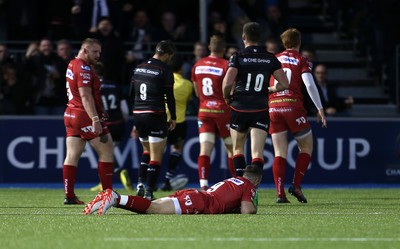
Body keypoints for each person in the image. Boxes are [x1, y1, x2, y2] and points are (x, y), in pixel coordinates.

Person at [222, 22, 289, 176]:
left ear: (243, 36)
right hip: (260, 108)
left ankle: (240, 187)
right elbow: (285, 83)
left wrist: (227, 98)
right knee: (257, 153)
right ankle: (253, 189)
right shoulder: (270, 58)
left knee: (238, 148)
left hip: (239, 107)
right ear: (260, 37)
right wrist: (270, 89)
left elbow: (227, 83)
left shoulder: (238, 56)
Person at [269, 28, 327, 204]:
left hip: (273, 107)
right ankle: (296, 185)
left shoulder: (273, 58)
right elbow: (309, 85)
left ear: (283, 42)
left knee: (279, 152)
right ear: (298, 42)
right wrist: (320, 108)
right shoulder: (302, 60)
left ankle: (280, 193)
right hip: (293, 107)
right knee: (307, 147)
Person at [83, 164, 262, 215]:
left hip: (195, 195)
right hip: (199, 202)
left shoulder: (235, 179)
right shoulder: (249, 185)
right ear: (257, 180)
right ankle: (114, 197)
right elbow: (247, 210)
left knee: (150, 206)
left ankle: (114, 199)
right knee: (154, 209)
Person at [62, 38, 114, 204]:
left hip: (70, 113)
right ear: (85, 50)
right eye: (95, 52)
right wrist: (95, 118)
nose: (98, 55)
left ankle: (69, 196)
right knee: (107, 150)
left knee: (72, 155)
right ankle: (108, 195)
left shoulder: (72, 63)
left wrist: (99, 110)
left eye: (99, 52)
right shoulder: (84, 68)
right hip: (83, 115)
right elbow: (85, 95)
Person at [130, 40, 177, 200]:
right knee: (156, 156)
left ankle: (140, 184)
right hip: (155, 114)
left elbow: (131, 93)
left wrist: (135, 117)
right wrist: (174, 117)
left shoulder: (138, 68)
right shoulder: (165, 70)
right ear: (167, 54)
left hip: (138, 114)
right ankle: (149, 191)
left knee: (146, 151)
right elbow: (170, 97)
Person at [192, 33, 235, 190]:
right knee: (231, 149)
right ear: (223, 49)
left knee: (205, 149)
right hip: (222, 112)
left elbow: (197, 92)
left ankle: (203, 185)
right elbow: (230, 89)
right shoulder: (225, 65)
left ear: (209, 47)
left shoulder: (198, 65)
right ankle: (236, 182)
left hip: (204, 111)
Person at [89, 62, 132, 192]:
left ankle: (119, 170)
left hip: (104, 126)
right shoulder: (115, 86)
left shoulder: (92, 87)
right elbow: (124, 109)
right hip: (118, 125)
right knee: (109, 152)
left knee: (104, 154)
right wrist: (122, 122)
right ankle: (103, 182)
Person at [160, 55, 193, 191]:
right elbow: (188, 99)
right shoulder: (187, 84)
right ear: (181, 68)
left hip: (162, 121)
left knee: (156, 152)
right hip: (179, 122)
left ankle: (149, 181)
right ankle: (167, 179)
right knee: (177, 149)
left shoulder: (161, 81)